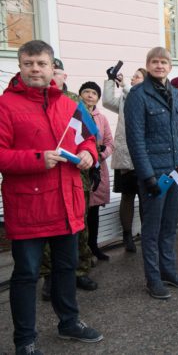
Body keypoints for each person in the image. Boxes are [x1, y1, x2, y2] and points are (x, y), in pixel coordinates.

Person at [0, 40, 103, 354]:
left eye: (41, 64)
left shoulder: (69, 104)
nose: (35, 69)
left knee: (66, 268)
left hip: (66, 203)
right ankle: (25, 340)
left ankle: (69, 322)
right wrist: (35, 159)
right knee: (27, 275)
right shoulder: (5, 105)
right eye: (29, 63)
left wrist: (88, 154)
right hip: (29, 206)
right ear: (20, 66)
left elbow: (88, 138)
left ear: (52, 68)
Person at [125, 46, 178, 299]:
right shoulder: (138, 95)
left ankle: (169, 271)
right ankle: (153, 279)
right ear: (148, 65)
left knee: (169, 227)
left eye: (163, 62)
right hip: (155, 174)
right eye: (154, 62)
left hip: (177, 171)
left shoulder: (176, 96)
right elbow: (136, 140)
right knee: (152, 229)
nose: (159, 66)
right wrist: (148, 176)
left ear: (169, 66)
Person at [42, 58, 98, 300]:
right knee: (47, 231)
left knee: (79, 226)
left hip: (77, 176)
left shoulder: (75, 101)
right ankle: (49, 277)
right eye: (51, 71)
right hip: (45, 176)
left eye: (58, 72)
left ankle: (80, 270)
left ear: (65, 76)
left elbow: (90, 134)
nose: (54, 76)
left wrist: (90, 155)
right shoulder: (37, 100)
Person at [103, 67, 146, 252]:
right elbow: (106, 101)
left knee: (146, 198)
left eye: (136, 76)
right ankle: (127, 236)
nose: (132, 78)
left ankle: (147, 234)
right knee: (127, 197)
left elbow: (136, 96)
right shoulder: (125, 97)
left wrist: (126, 85)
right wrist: (111, 81)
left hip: (143, 156)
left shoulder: (144, 96)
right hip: (125, 156)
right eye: (132, 76)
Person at [77, 81, 114, 261]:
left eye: (94, 93)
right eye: (86, 91)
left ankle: (93, 246)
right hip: (79, 166)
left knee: (94, 212)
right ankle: (81, 253)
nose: (90, 95)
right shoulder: (75, 113)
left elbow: (109, 142)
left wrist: (101, 155)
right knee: (80, 212)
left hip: (97, 168)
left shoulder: (102, 118)